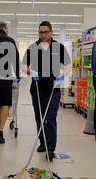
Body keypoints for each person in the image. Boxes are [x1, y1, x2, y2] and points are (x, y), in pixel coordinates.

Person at [23, 21, 71, 161]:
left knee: (50, 118)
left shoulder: (59, 47)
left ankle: (50, 148)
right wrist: (29, 71)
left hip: (53, 89)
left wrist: (64, 74)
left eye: (45, 32)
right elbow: (24, 65)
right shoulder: (33, 47)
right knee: (39, 117)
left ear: (51, 32)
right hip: (36, 89)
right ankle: (43, 142)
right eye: (40, 32)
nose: (43, 35)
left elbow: (68, 64)